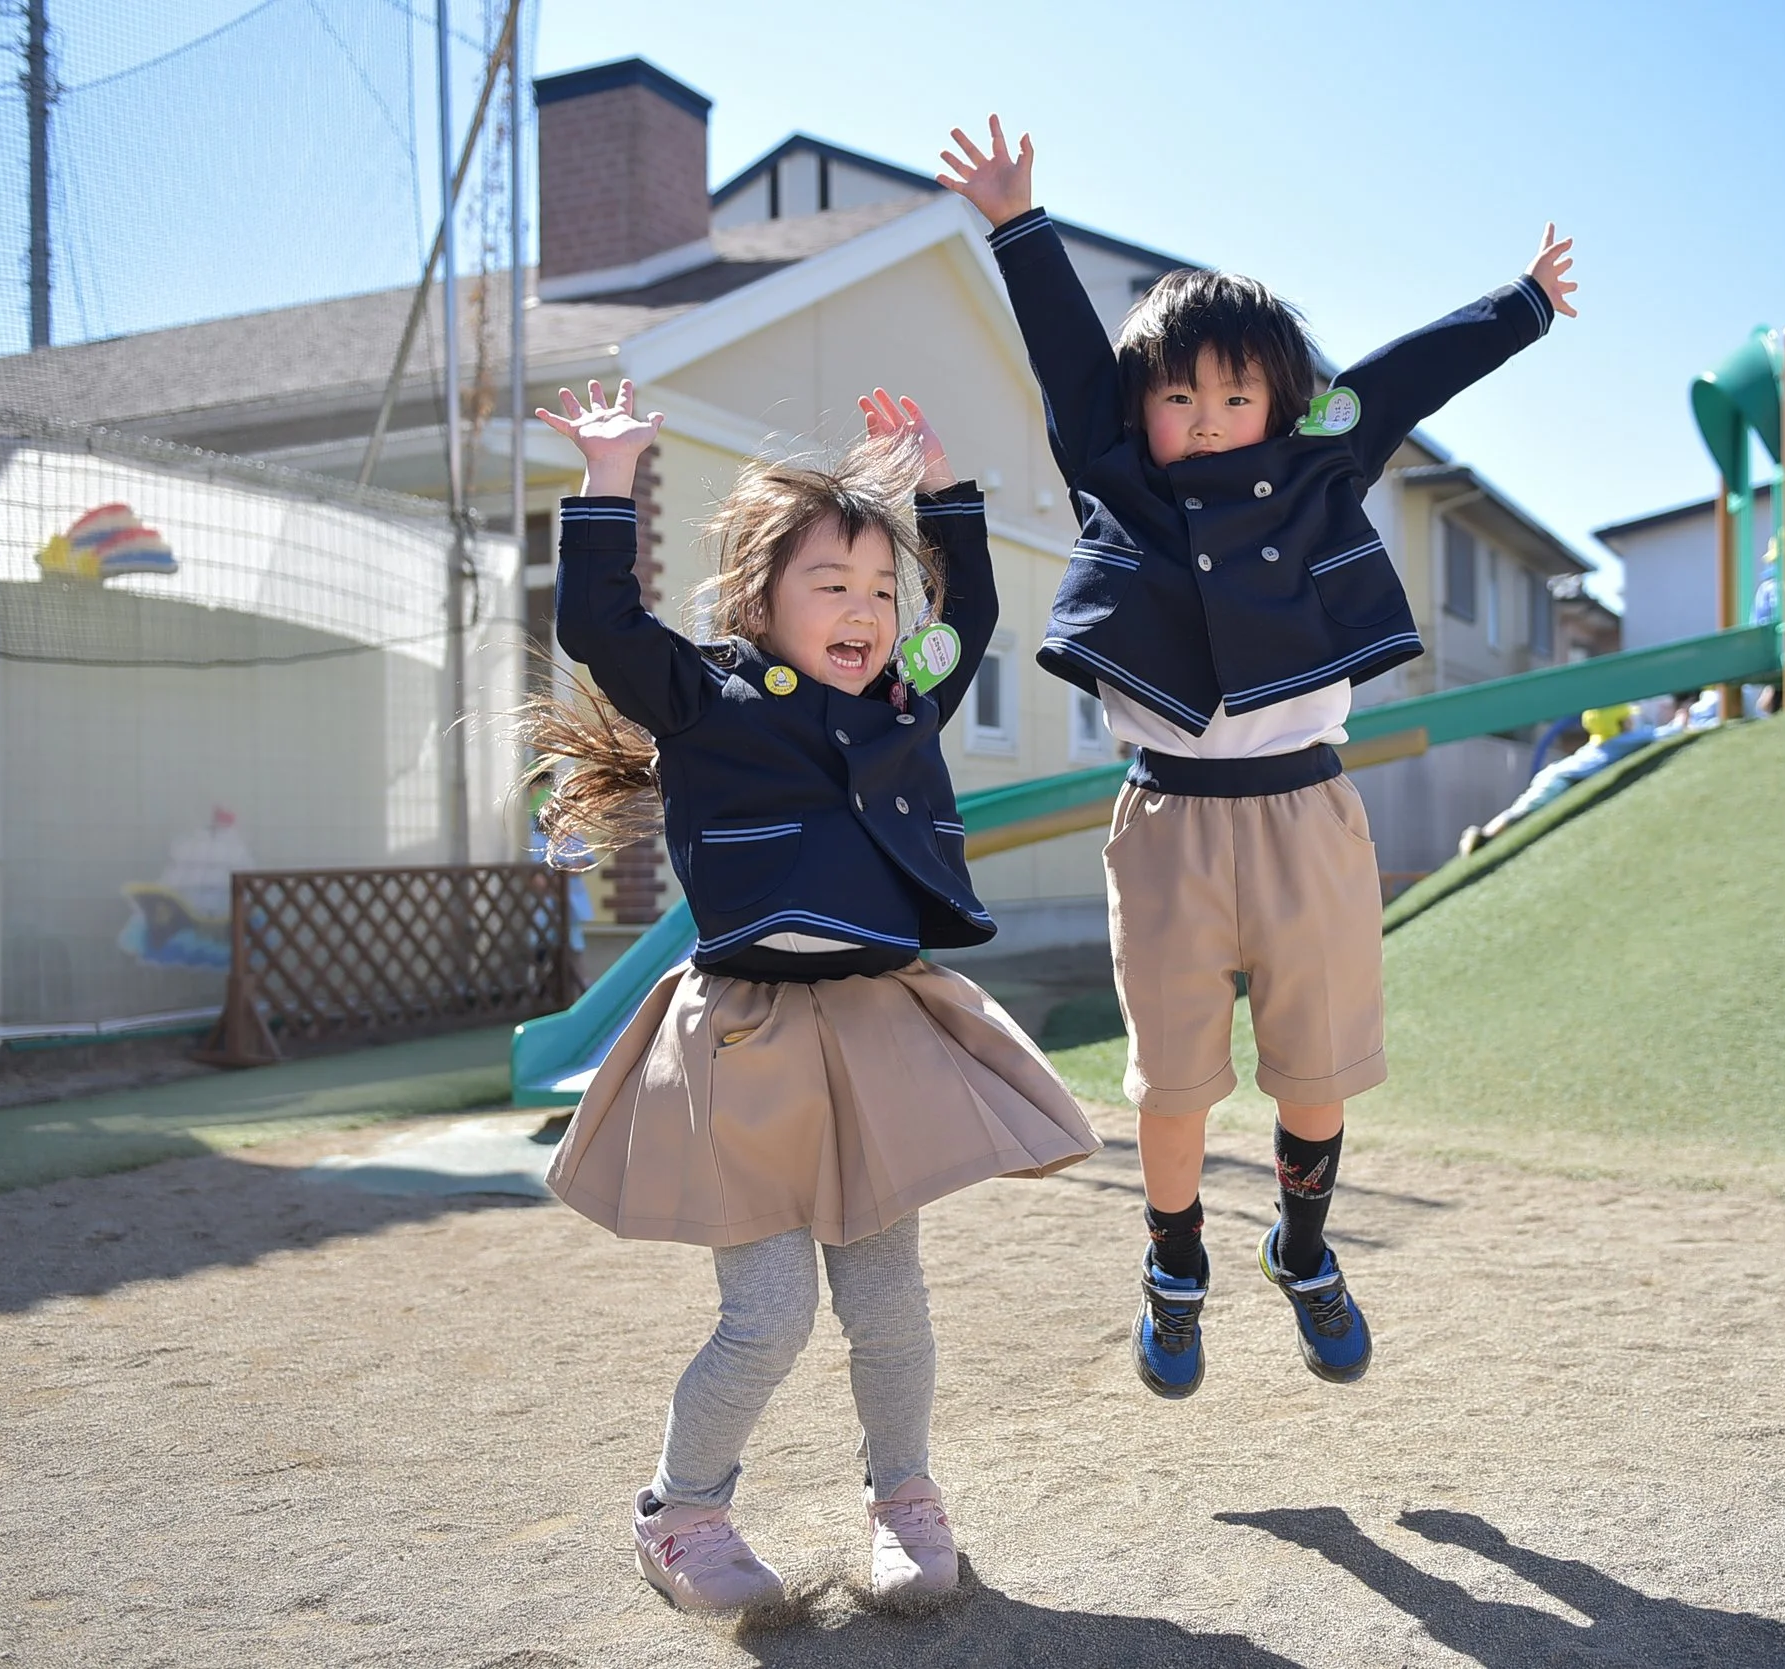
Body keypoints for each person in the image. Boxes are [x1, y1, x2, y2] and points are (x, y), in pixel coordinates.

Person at [936, 116, 1578, 1397]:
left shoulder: (1321, 464)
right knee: (1171, 1087)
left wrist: (1521, 307)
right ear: (1142, 415)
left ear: (1282, 403)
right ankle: (1174, 1270)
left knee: (1318, 1075)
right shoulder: (1113, 476)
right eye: (1181, 397)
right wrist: (1016, 225)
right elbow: (1071, 360)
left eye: (1237, 394)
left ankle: (1301, 1247)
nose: (1212, 418)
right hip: (1167, 822)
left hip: (1306, 818)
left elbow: (1402, 377)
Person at [528, 378, 1099, 1610]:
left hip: (874, 1027)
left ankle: (905, 1496)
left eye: (881, 589)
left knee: (887, 1302)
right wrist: (610, 475)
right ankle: (680, 1514)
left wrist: (942, 491)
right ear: (759, 600)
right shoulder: (702, 698)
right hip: (744, 1040)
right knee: (769, 1312)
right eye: (830, 585)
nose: (864, 609)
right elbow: (598, 626)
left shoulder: (913, 698)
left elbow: (975, 605)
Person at [1459, 700, 1670, 857]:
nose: (1632, 722)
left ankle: (1484, 836)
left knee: (1523, 808)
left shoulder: (1604, 743)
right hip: (1560, 780)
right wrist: (1681, 721)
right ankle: (1483, 837)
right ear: (1619, 723)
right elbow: (1656, 736)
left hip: (1556, 774)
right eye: (1628, 719)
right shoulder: (1619, 742)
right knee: (1525, 811)